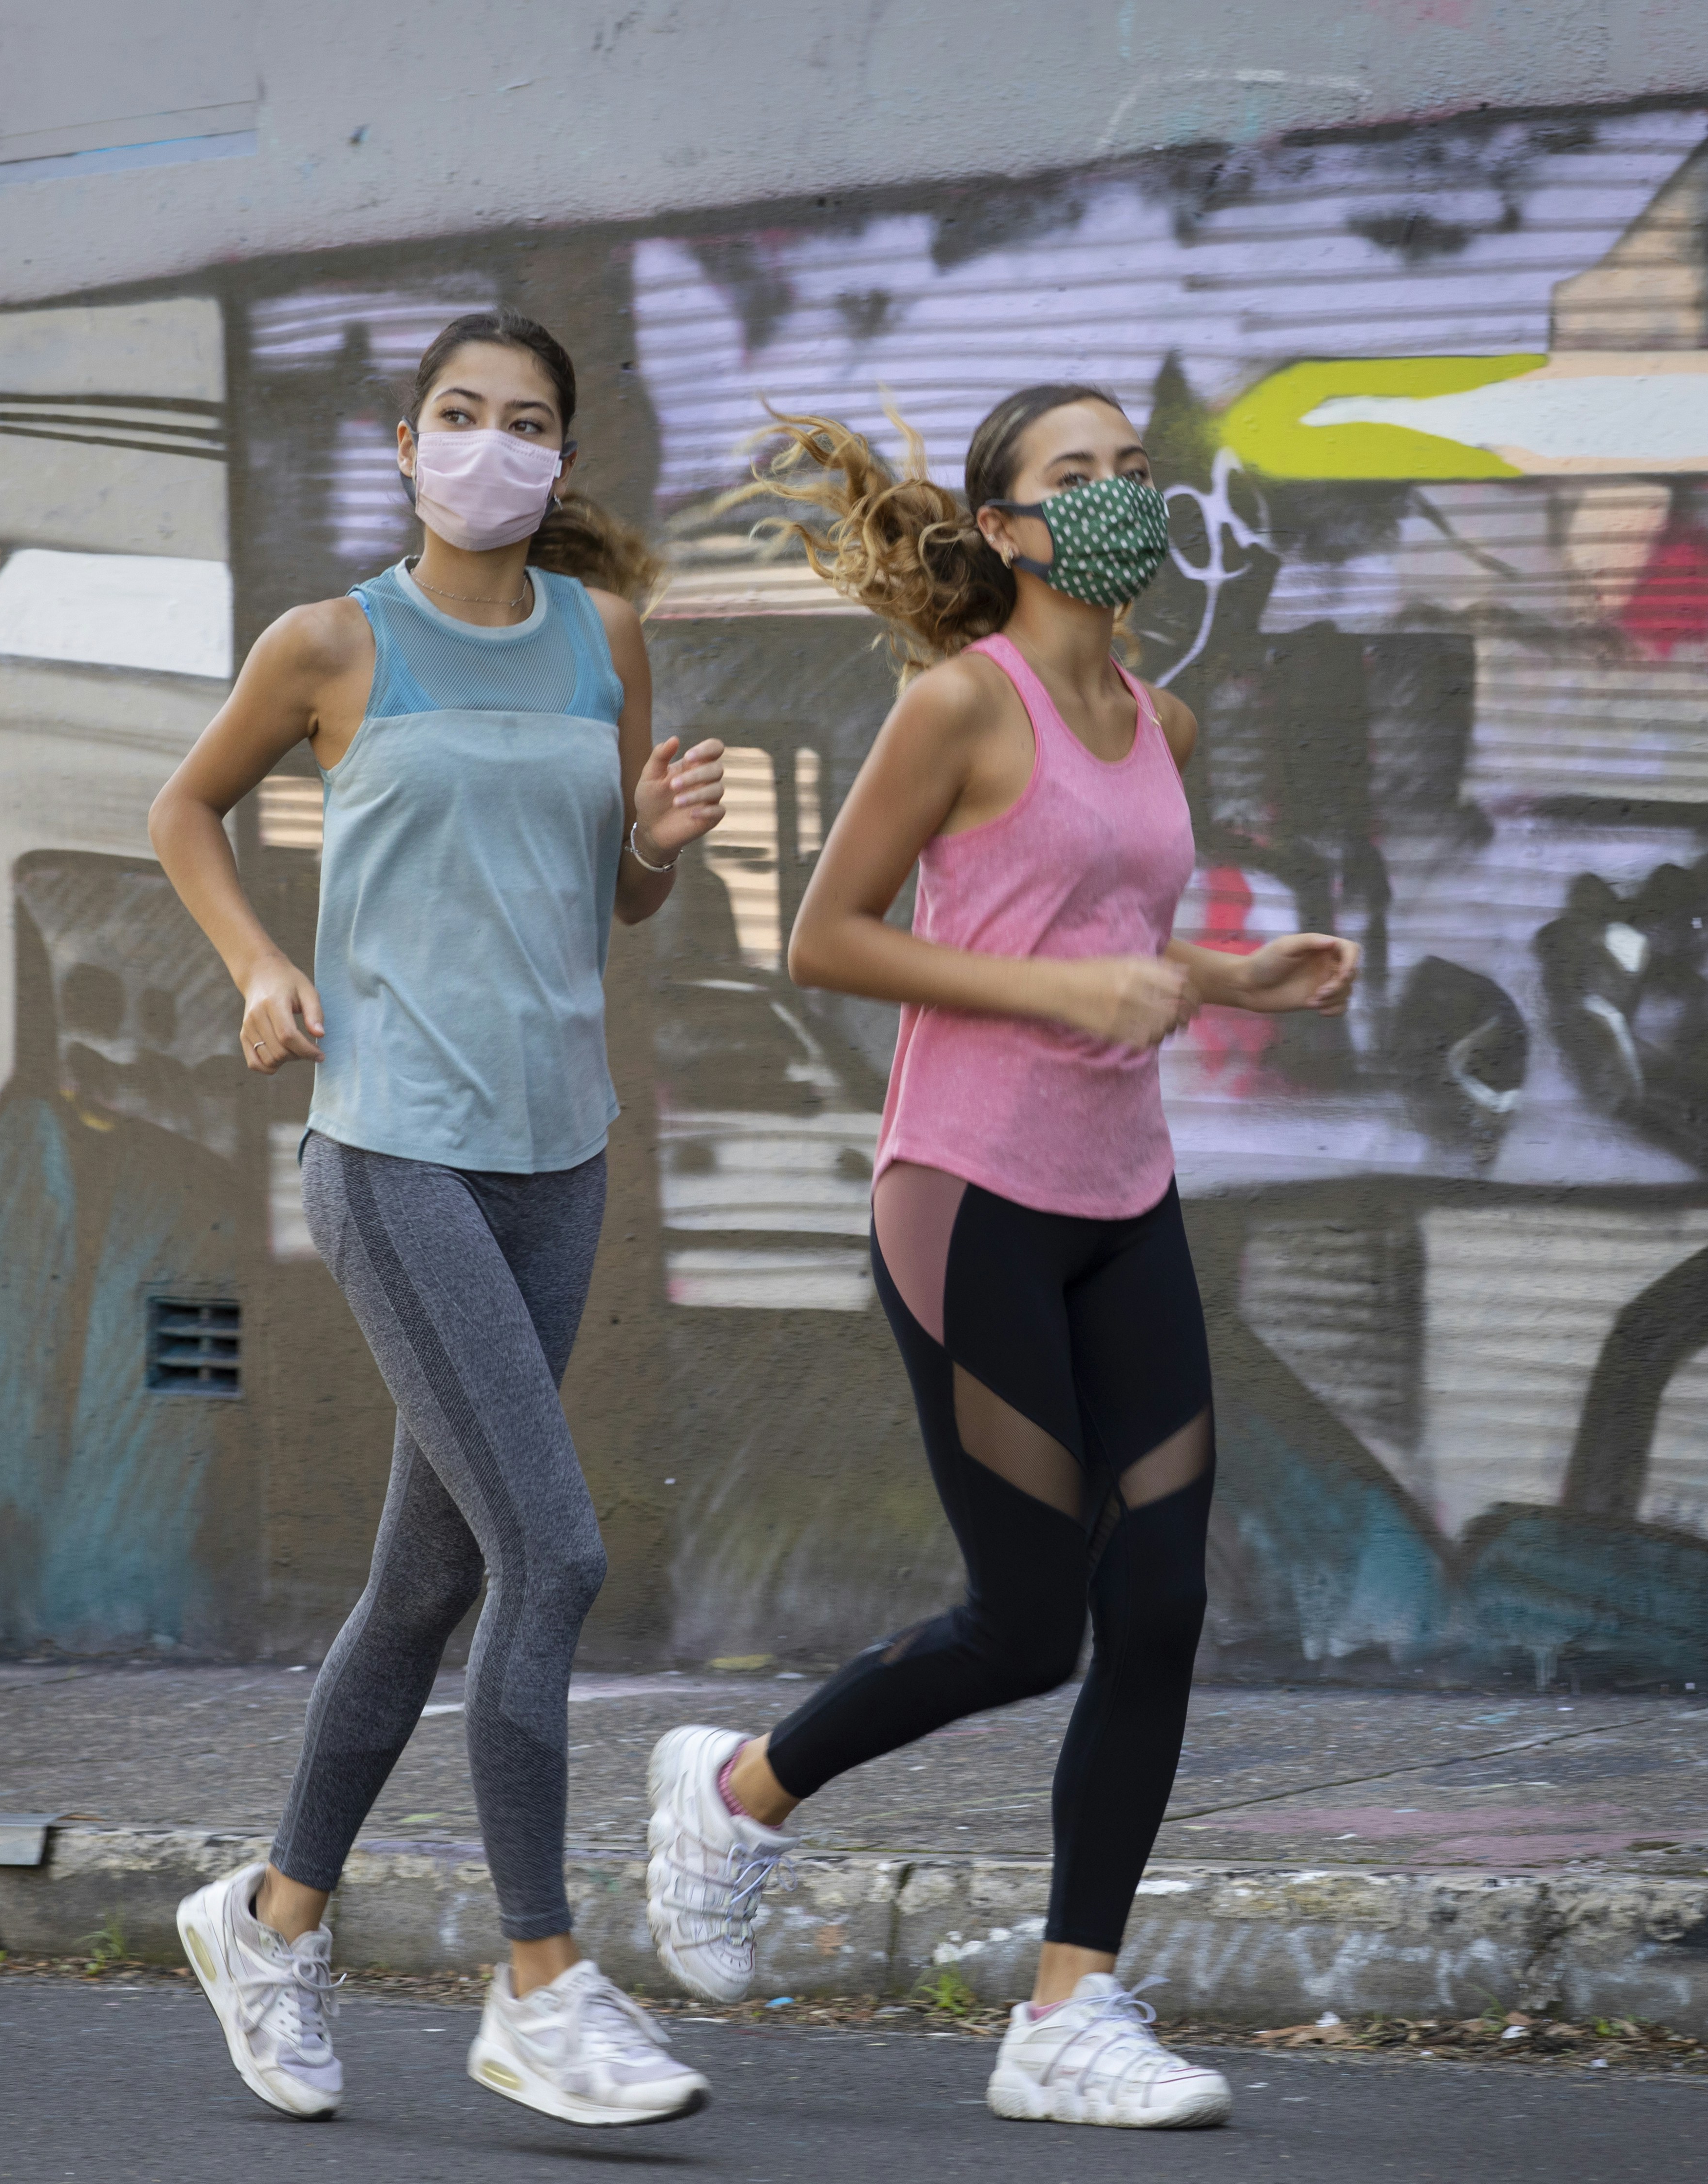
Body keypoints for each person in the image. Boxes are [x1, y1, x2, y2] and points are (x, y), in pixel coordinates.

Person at [640, 384, 1359, 2130]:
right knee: (1031, 1626)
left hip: (1126, 1202)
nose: (1117, 494)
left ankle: (1067, 2013)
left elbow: (1111, 932)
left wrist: (1235, 978)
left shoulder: (1162, 719)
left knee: (1163, 1601)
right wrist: (1067, 992)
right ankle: (736, 1794)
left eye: (1133, 469)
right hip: (968, 1202)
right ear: (1005, 527)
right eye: (1074, 473)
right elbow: (829, 938)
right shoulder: (961, 703)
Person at [149, 310, 724, 2129]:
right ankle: (541, 1982)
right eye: (459, 415)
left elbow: (619, 900)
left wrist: (659, 839)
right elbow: (186, 808)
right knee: (553, 1554)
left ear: (564, 458)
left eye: (527, 421)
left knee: (431, 1580)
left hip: (561, 1159)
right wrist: (260, 968)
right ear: (406, 447)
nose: (492, 444)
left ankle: (268, 1921)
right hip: (396, 1148)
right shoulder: (333, 642)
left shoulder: (603, 636)